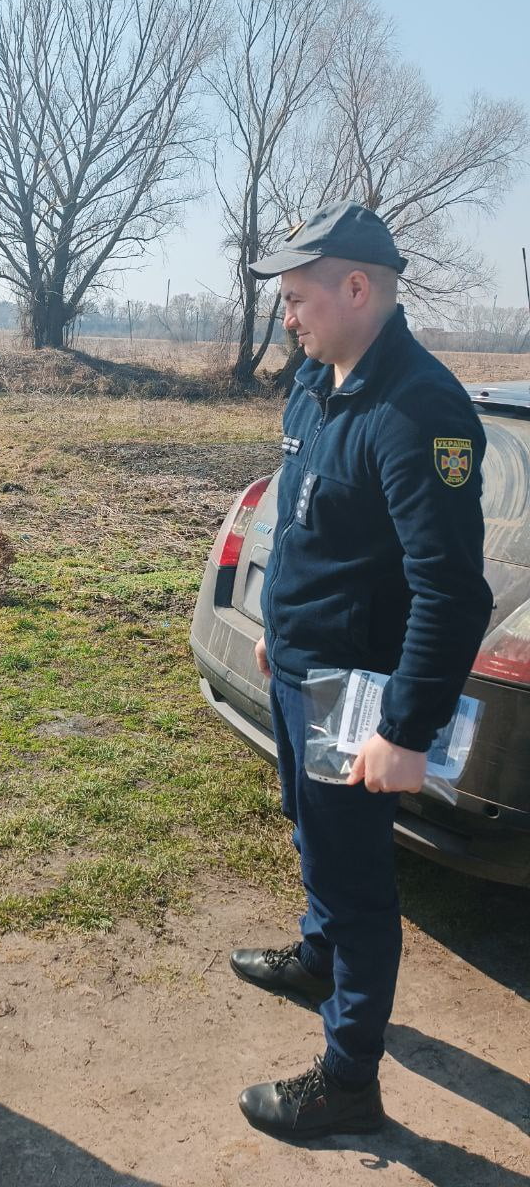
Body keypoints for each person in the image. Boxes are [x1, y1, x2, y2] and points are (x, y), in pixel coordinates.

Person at [230, 202, 493, 1137]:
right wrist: (276, 626)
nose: (287, 318)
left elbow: (450, 591)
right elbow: (308, 529)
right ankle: (318, 959)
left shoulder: (418, 410)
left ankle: (349, 1084)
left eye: (298, 298)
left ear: (357, 288)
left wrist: (407, 730)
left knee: (356, 882)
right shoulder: (313, 385)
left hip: (360, 699)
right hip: (301, 668)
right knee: (309, 834)